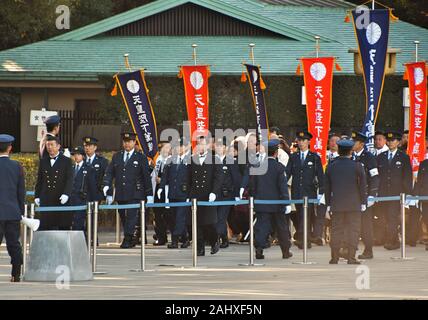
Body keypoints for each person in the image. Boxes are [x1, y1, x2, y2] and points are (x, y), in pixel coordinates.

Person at [103, 132, 153, 248]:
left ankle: (128, 238)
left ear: (134, 142)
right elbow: (110, 172)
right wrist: (107, 186)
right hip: (121, 192)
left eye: (129, 141)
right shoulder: (117, 156)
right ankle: (130, 237)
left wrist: (149, 194)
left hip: (135, 193)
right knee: (123, 216)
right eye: (125, 142)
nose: (127, 144)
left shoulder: (140, 157)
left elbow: (146, 176)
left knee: (131, 216)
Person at [325, 138, 367, 264]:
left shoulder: (331, 166)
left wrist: (327, 204)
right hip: (354, 204)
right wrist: (363, 202)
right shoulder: (357, 166)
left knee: (336, 230)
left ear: (339, 150)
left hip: (336, 204)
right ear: (350, 151)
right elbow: (363, 186)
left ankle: (334, 257)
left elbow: (327, 187)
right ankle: (351, 257)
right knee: (353, 230)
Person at [249, 139, 293, 260]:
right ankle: (285, 251)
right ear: (276, 153)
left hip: (261, 202)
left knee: (262, 227)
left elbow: (252, 185)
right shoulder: (279, 168)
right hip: (277, 203)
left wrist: (253, 199)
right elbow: (282, 187)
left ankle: (259, 249)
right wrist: (286, 202)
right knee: (281, 227)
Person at [285, 131, 324, 249]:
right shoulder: (294, 157)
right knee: (299, 216)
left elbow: (321, 177)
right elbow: (287, 173)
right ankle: (305, 239)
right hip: (297, 192)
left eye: (303, 140)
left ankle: (303, 240)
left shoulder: (314, 157)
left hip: (309, 192)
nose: (301, 143)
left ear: (308, 142)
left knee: (305, 216)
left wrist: (321, 193)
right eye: (299, 140)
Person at [377, 131, 413, 250]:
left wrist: (408, 193)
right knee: (385, 217)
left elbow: (407, 176)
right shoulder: (381, 157)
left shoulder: (404, 157)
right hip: (383, 193)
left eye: (393, 141)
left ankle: (390, 241)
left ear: (398, 142)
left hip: (397, 194)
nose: (390, 142)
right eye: (388, 140)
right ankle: (395, 240)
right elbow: (378, 176)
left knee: (392, 217)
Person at [189, 136, 223, 256]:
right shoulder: (193, 159)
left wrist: (214, 192)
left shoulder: (215, 159)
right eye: (198, 144)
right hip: (196, 195)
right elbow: (189, 179)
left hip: (209, 195)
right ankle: (200, 247)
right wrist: (188, 194)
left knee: (209, 222)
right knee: (196, 223)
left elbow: (218, 178)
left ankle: (214, 241)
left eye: (203, 144)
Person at [35, 135, 73, 230]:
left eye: (52, 145)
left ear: (58, 146)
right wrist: (37, 195)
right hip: (47, 199)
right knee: (46, 226)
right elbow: (40, 180)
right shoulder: (43, 161)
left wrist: (66, 194)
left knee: (62, 226)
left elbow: (70, 179)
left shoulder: (66, 161)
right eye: (48, 145)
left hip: (60, 198)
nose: (50, 147)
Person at [159, 138, 192, 249]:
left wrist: (190, 195)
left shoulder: (190, 160)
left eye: (181, 146)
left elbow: (191, 179)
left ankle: (174, 240)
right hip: (172, 193)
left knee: (179, 217)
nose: (179, 148)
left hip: (183, 194)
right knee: (173, 217)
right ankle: (185, 238)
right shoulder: (170, 160)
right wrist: (161, 188)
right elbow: (165, 176)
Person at [351, 132, 380, 259]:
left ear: (361, 144)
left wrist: (372, 194)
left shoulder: (368, 157)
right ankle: (349, 249)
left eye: (355, 142)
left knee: (365, 225)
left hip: (365, 196)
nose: (352, 144)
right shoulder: (350, 156)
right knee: (351, 224)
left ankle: (368, 250)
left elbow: (375, 177)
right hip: (351, 196)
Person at [0, 134, 24, 282]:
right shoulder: (17, 166)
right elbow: (20, 192)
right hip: (12, 212)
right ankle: (16, 274)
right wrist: (20, 211)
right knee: (14, 244)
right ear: (10, 148)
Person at [214, 138, 242, 248]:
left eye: (220, 146)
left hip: (227, 195)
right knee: (215, 218)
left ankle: (218, 239)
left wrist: (236, 195)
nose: (218, 148)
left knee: (221, 218)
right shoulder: (212, 160)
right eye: (216, 146)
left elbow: (236, 179)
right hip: (215, 195)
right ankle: (223, 238)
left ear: (225, 148)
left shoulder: (231, 161)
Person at [70, 146, 97, 232]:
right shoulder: (71, 168)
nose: (76, 157)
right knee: (72, 221)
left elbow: (92, 186)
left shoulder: (88, 168)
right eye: (74, 154)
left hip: (82, 199)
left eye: (78, 154)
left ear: (83, 156)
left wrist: (92, 200)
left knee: (79, 221)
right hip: (72, 199)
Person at [151, 141, 172, 246]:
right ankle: (161, 237)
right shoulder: (157, 160)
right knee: (158, 215)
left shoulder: (172, 160)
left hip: (168, 191)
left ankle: (178, 236)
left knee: (169, 215)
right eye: (166, 147)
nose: (168, 150)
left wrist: (163, 180)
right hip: (157, 190)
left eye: (169, 148)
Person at [82, 136, 109, 202]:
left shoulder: (102, 161)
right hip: (82, 196)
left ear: (95, 147)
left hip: (97, 195)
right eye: (85, 146)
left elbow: (106, 177)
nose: (87, 148)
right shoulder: (81, 160)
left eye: (89, 145)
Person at [413, 157, 428, 251]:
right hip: (425, 196)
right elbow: (419, 180)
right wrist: (416, 194)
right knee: (426, 217)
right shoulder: (423, 163)